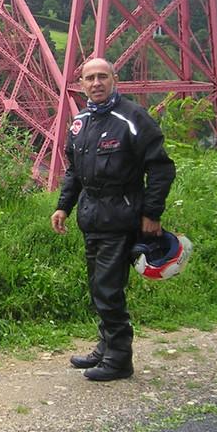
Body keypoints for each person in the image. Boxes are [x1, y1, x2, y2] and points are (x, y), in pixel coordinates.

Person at [51, 57, 176, 381]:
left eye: (102, 76)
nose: (96, 83)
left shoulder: (133, 117)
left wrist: (152, 213)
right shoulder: (81, 122)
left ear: (114, 79)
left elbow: (160, 168)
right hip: (91, 216)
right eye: (90, 78)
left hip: (121, 215)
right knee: (98, 285)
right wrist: (64, 206)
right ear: (81, 84)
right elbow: (74, 171)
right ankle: (106, 347)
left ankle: (119, 359)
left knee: (108, 289)